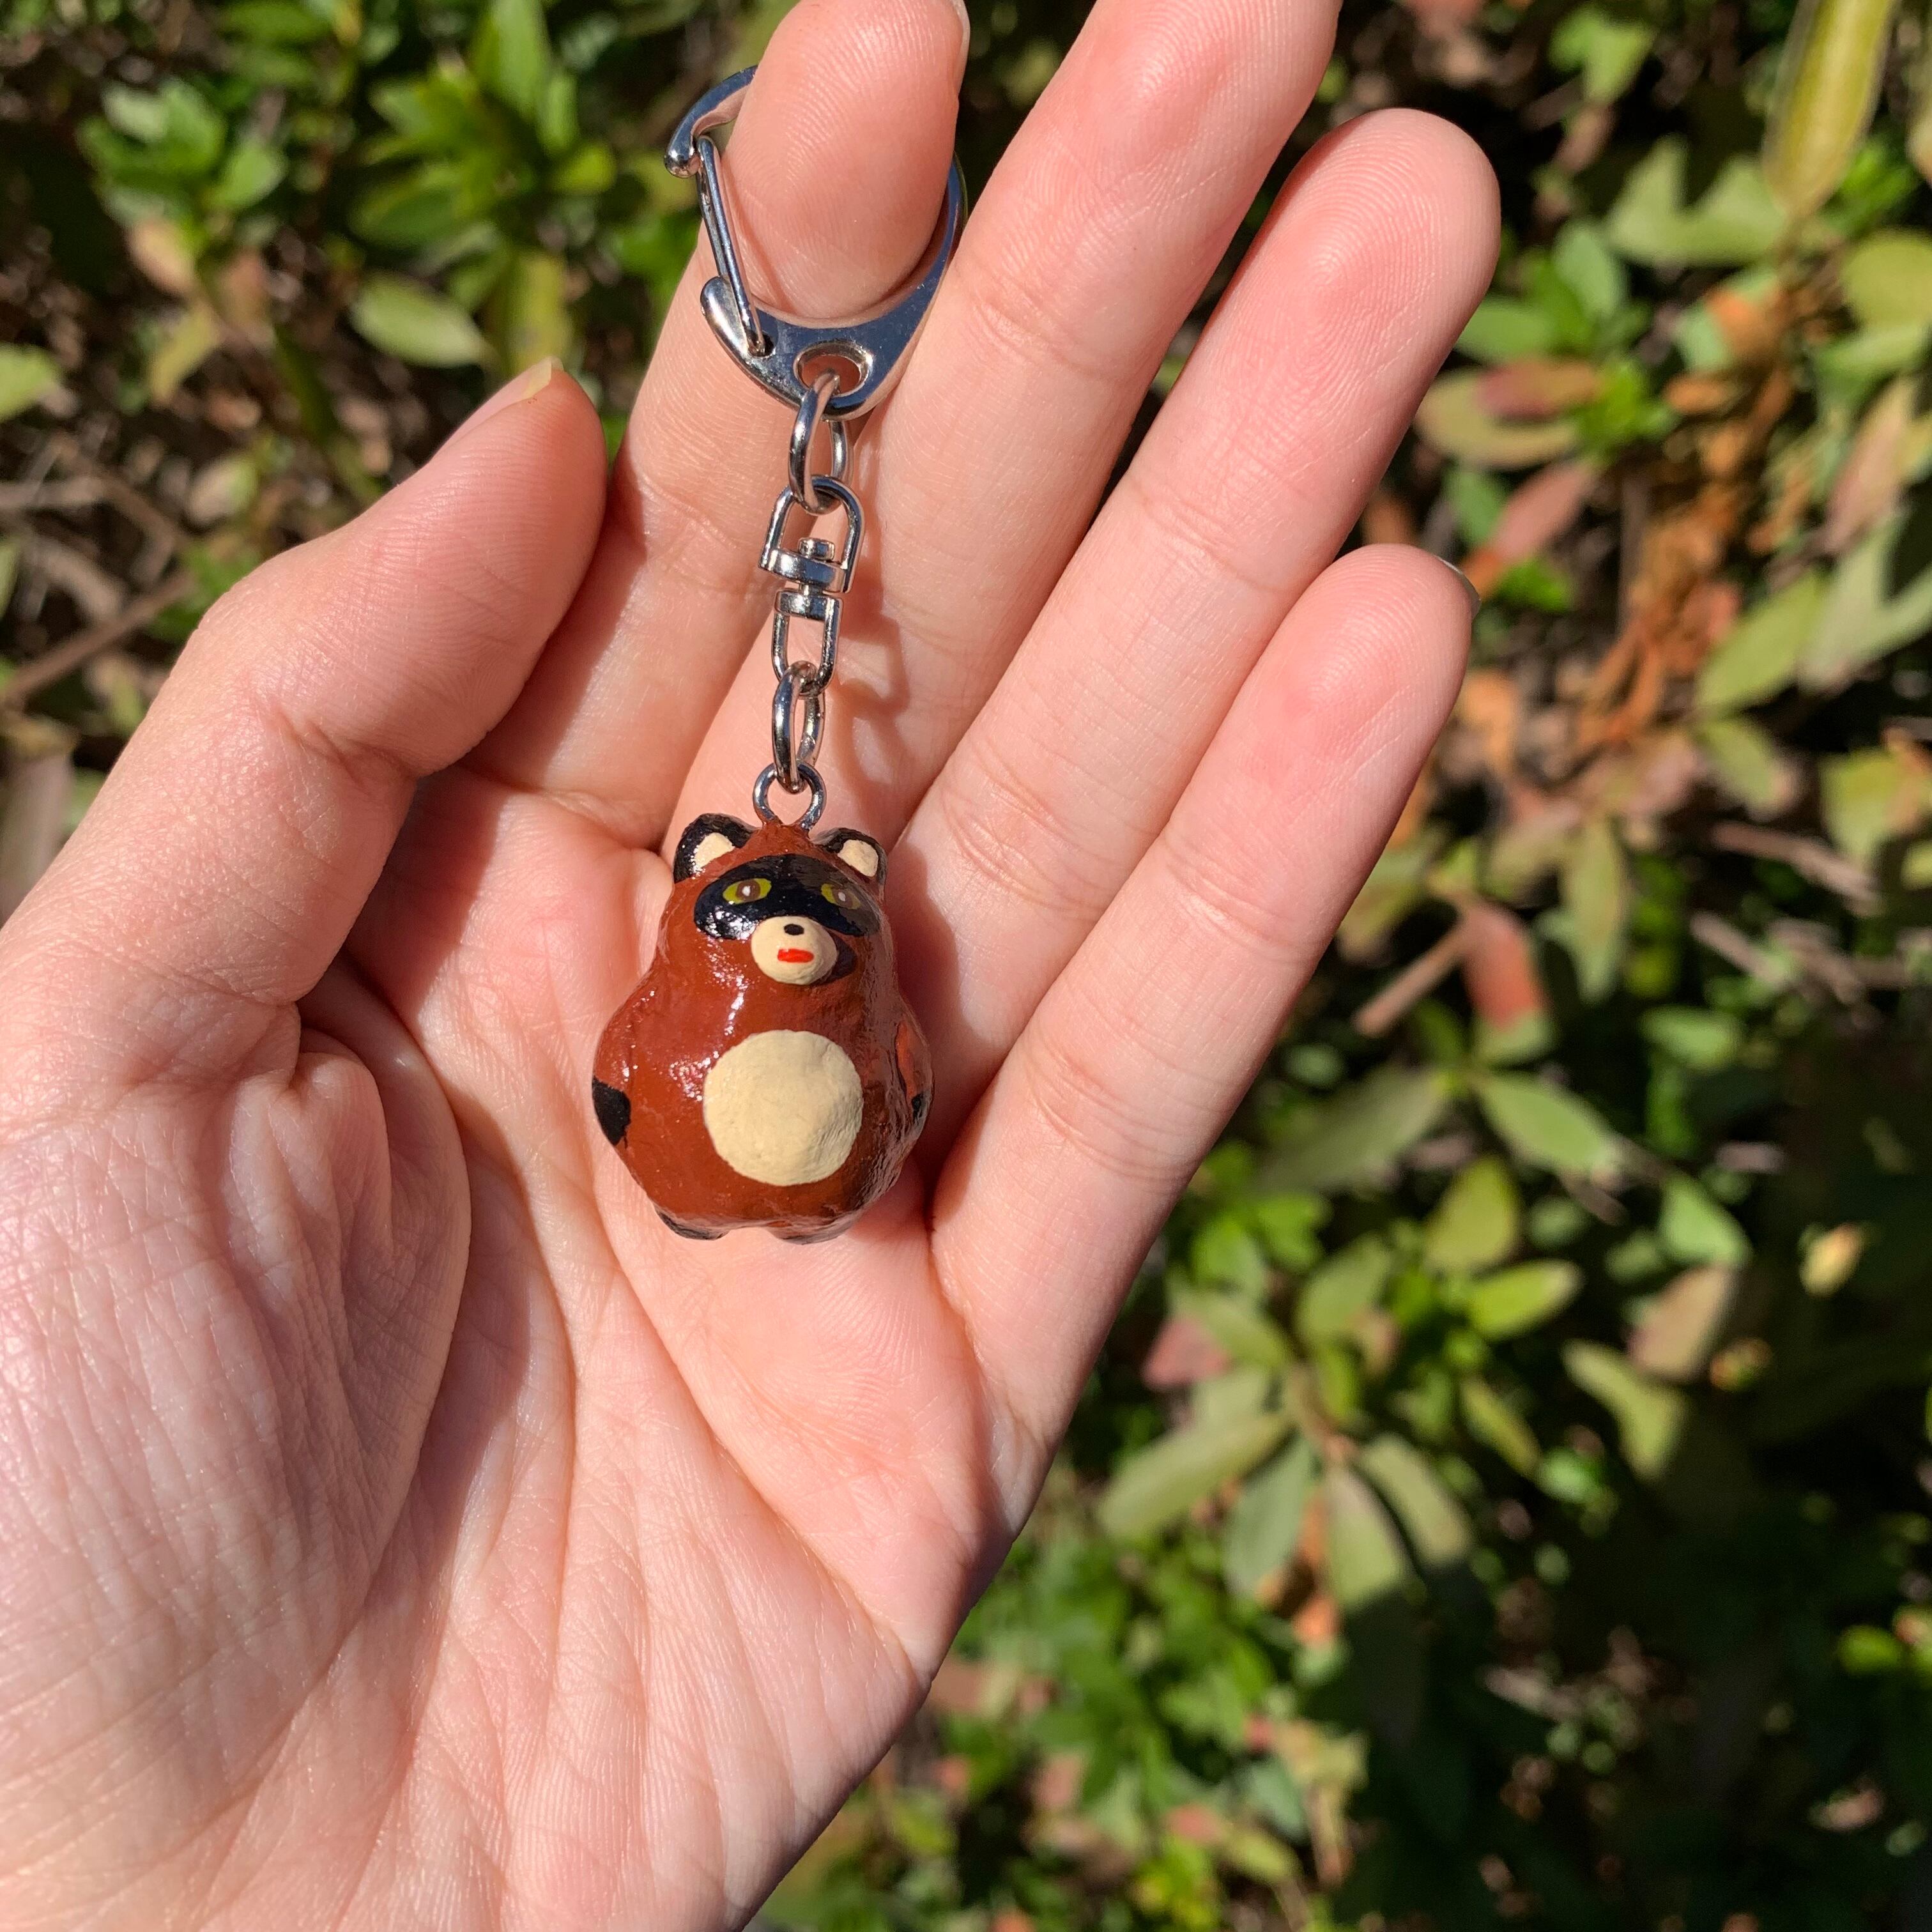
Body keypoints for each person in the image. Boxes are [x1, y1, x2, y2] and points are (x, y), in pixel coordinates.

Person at [0, 0, 1496, 1921]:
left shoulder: (854, 970)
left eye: (813, 918)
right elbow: (647, 1055)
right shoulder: (700, 960)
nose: (789, 929)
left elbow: (887, 1068)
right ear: (718, 892)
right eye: (764, 912)